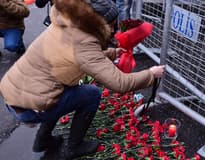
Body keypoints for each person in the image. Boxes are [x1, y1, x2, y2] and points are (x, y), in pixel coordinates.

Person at [0, 0, 165, 159]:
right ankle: (74, 147)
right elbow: (120, 83)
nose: (114, 27)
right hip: (30, 106)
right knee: (91, 94)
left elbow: (82, 56)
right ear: (99, 23)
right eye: (112, 23)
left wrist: (113, 53)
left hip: (15, 94)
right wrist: (151, 74)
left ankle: (43, 139)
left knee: (62, 90)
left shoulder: (67, 23)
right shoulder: (85, 44)